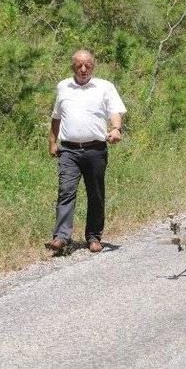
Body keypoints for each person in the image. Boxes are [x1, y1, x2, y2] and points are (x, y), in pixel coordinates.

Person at [46, 50, 126, 253]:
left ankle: (93, 237)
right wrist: (52, 141)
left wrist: (116, 128)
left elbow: (115, 112)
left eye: (87, 65)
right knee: (65, 191)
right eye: (79, 65)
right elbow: (56, 116)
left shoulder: (104, 87)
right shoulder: (63, 86)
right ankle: (61, 238)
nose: (83, 69)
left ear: (93, 66)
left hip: (95, 149)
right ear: (72, 66)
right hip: (69, 150)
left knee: (96, 194)